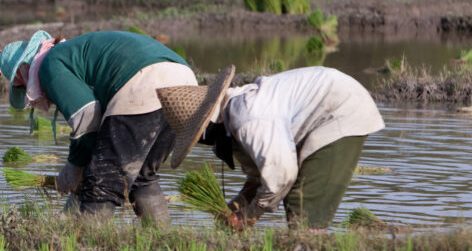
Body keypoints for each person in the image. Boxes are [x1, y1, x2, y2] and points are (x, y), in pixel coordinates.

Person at [0, 30, 198, 225]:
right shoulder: (76, 54)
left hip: (145, 84)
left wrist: (74, 167)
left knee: (102, 183)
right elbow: (103, 134)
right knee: (141, 177)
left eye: (21, 87)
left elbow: (87, 117)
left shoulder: (51, 63)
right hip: (186, 87)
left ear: (22, 73)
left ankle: (85, 250)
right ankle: (162, 240)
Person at [157, 65, 385, 230]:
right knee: (296, 201)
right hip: (329, 102)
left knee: (302, 204)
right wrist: (238, 205)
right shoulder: (234, 115)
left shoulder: (247, 118)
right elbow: (261, 174)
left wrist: (248, 215)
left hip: (340, 108)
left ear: (209, 128)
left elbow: (281, 176)